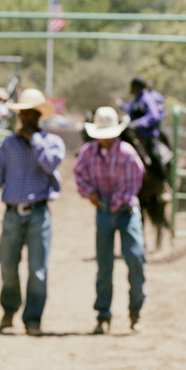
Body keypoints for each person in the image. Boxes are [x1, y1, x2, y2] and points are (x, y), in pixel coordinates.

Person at [0, 87, 65, 336]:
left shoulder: (51, 143)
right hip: (12, 213)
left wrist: (34, 141)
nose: (25, 119)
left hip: (39, 212)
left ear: (39, 115)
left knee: (38, 269)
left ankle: (33, 318)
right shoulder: (8, 145)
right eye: (22, 114)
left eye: (30, 114)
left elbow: (50, 164)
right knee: (7, 264)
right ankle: (9, 308)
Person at [74, 105, 146, 333]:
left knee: (135, 258)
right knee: (104, 265)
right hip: (104, 212)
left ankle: (136, 309)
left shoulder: (127, 153)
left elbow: (133, 183)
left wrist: (113, 203)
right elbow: (79, 175)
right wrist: (89, 193)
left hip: (126, 211)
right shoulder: (87, 152)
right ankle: (103, 314)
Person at [121, 77, 170, 182]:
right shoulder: (134, 100)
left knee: (155, 156)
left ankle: (163, 182)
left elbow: (154, 116)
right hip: (134, 135)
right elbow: (130, 112)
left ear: (136, 87)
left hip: (147, 135)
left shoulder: (147, 99)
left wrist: (138, 123)